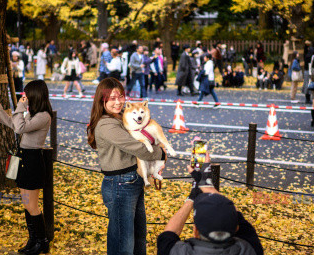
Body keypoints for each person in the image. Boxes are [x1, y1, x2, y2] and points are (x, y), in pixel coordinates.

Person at [87, 78, 167, 255]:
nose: (118, 102)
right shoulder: (107, 124)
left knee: (138, 236)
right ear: (102, 100)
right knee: (123, 242)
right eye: (112, 98)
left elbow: (146, 132)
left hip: (130, 181)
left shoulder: (121, 117)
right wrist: (161, 153)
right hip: (120, 184)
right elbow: (138, 148)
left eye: (120, 96)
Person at [0, 80, 53, 255]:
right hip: (24, 158)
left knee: (32, 205)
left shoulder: (43, 116)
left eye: (26, 95)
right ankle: (33, 239)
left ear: (35, 95)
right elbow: (15, 125)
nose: (23, 98)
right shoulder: (33, 114)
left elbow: (18, 128)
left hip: (33, 161)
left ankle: (42, 241)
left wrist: (19, 107)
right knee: (26, 204)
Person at [157, 158, 263, 255]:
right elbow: (236, 217)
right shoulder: (251, 249)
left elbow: (170, 233)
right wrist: (207, 186)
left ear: (195, 231)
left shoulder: (175, 251)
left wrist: (192, 198)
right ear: (236, 228)